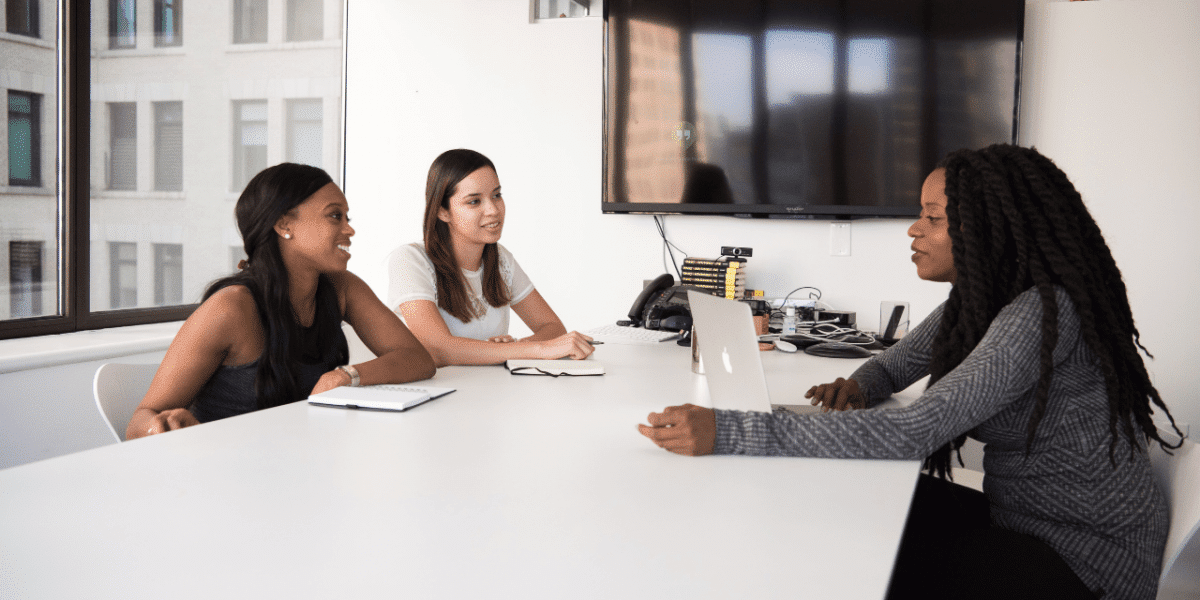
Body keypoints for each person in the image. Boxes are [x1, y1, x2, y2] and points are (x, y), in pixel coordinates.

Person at [637, 144, 1183, 600]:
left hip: (1083, 565)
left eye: (934, 217)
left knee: (856, 553)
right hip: (1023, 521)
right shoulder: (978, 302)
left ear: (990, 228)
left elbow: (913, 430)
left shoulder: (1041, 312)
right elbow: (895, 364)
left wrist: (729, 430)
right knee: (850, 506)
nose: (913, 230)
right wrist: (861, 385)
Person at [127, 163, 435, 439]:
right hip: (229, 476)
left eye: (346, 217)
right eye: (334, 216)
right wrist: (162, 428)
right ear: (284, 225)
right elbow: (139, 422)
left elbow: (417, 359)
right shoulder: (231, 308)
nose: (349, 229)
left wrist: (345, 376)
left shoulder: (342, 288)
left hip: (299, 463)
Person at [386, 149, 594, 366]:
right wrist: (528, 350)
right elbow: (439, 349)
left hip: (491, 391)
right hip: (438, 394)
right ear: (442, 211)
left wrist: (509, 350)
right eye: (474, 201)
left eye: (496, 195)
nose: (493, 210)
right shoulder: (409, 260)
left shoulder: (501, 259)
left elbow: (552, 327)